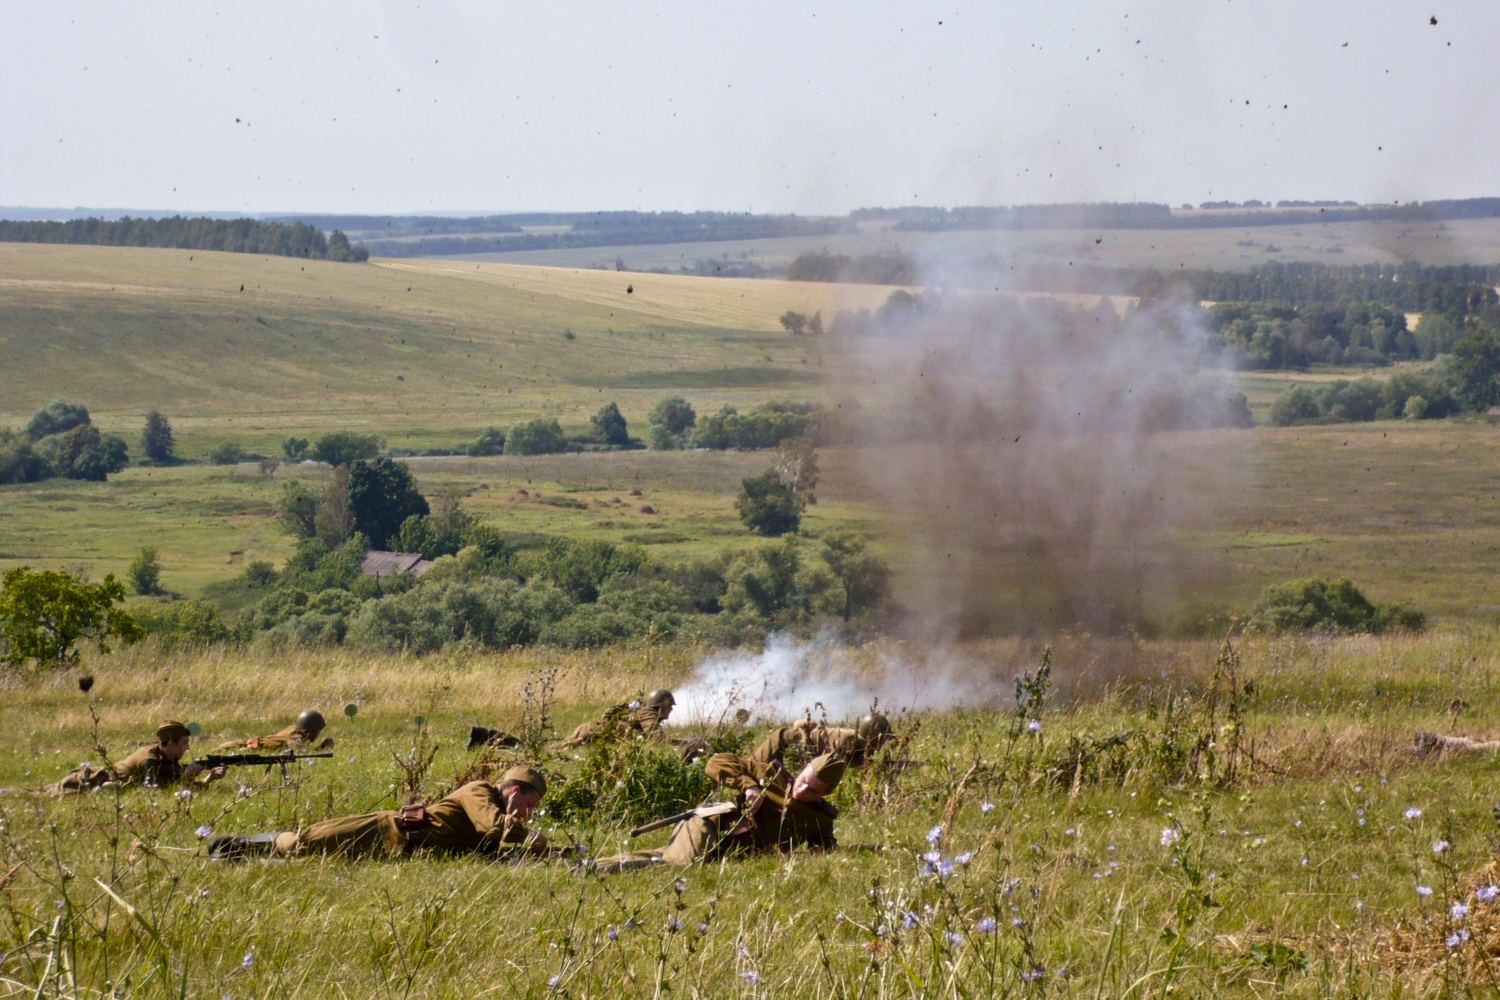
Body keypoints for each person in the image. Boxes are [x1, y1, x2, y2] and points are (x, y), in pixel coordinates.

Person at [210, 765, 549, 860]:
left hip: (401, 850)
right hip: (386, 830)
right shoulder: (480, 792)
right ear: (514, 791)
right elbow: (493, 827)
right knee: (307, 843)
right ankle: (241, 845)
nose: (528, 815)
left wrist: (557, 852)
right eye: (529, 806)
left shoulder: (498, 807)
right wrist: (532, 838)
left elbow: (495, 850)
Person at [597, 752, 846, 872]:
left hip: (725, 850)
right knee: (684, 867)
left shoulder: (820, 818)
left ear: (826, 793)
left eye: (813, 790)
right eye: (803, 780)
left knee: (664, 856)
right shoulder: (770, 774)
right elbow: (715, 762)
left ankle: (582, 862)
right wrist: (748, 786)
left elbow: (824, 851)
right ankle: (602, 870)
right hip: (707, 826)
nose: (802, 790)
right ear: (802, 768)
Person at [45, 721, 227, 794]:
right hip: (88, 782)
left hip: (102, 784)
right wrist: (188, 774)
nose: (187, 748)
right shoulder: (149, 761)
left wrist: (208, 779)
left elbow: (181, 786)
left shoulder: (168, 759)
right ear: (171, 743)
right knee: (41, 794)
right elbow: (168, 788)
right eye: (184, 743)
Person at [748, 712, 892, 769]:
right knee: (747, 770)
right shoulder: (850, 742)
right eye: (883, 740)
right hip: (782, 743)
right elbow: (837, 768)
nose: (883, 744)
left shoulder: (857, 742)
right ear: (874, 737)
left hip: (795, 747)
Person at [549, 689, 674, 750]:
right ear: (662, 706)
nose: (671, 710)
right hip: (592, 733)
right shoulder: (648, 713)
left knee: (559, 749)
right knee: (560, 749)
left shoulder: (643, 712)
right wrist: (688, 741)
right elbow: (659, 740)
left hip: (592, 731)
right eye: (670, 706)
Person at [216, 709, 333, 752]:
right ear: (312, 731)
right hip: (247, 749)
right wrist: (322, 748)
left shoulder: (293, 729)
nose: (318, 734)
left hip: (247, 746)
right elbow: (302, 755)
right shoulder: (295, 735)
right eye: (318, 731)